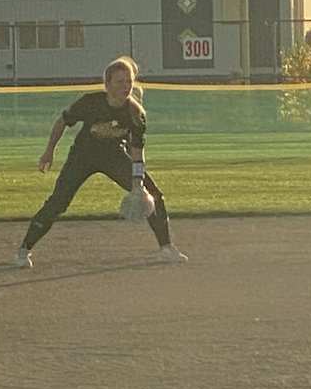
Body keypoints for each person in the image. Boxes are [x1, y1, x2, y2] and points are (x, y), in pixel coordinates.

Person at [14, 56, 187, 267]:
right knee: (58, 202)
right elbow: (62, 122)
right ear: (107, 84)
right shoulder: (91, 102)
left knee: (152, 194)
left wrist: (137, 184)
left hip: (113, 156)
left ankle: (166, 248)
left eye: (128, 81)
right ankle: (24, 250)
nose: (126, 86)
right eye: (120, 81)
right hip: (83, 156)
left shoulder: (135, 114)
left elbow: (137, 151)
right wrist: (49, 151)